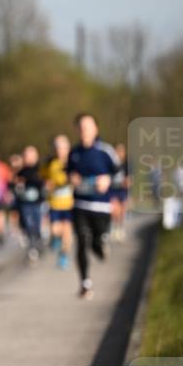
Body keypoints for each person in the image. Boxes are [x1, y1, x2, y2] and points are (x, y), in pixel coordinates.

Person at [67, 113, 119, 300]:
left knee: (96, 244)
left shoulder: (106, 151)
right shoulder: (74, 153)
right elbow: (68, 173)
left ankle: (100, 247)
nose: (84, 130)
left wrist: (108, 180)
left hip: (101, 206)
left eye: (87, 127)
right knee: (82, 240)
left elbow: (121, 175)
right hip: (80, 204)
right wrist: (72, 178)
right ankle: (85, 283)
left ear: (96, 129)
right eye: (81, 127)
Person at [43, 135, 74, 270]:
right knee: (55, 229)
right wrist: (47, 184)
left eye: (63, 148)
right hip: (54, 204)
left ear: (68, 148)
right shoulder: (50, 163)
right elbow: (42, 177)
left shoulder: (73, 162)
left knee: (67, 231)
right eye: (57, 148)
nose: (60, 151)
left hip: (69, 204)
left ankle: (64, 255)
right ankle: (56, 238)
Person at [13, 146, 46, 263]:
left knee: (37, 224)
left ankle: (38, 241)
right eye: (26, 156)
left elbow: (43, 184)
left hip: (38, 203)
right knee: (28, 225)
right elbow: (16, 187)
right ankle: (32, 246)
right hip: (25, 203)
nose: (29, 158)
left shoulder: (41, 170)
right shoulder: (21, 172)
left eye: (31, 156)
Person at [110, 142, 130, 242]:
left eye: (121, 151)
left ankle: (120, 228)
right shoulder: (111, 164)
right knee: (115, 211)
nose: (120, 153)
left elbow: (130, 180)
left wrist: (126, 182)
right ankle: (114, 227)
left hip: (123, 191)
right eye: (118, 151)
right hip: (113, 190)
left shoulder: (127, 164)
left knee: (122, 211)